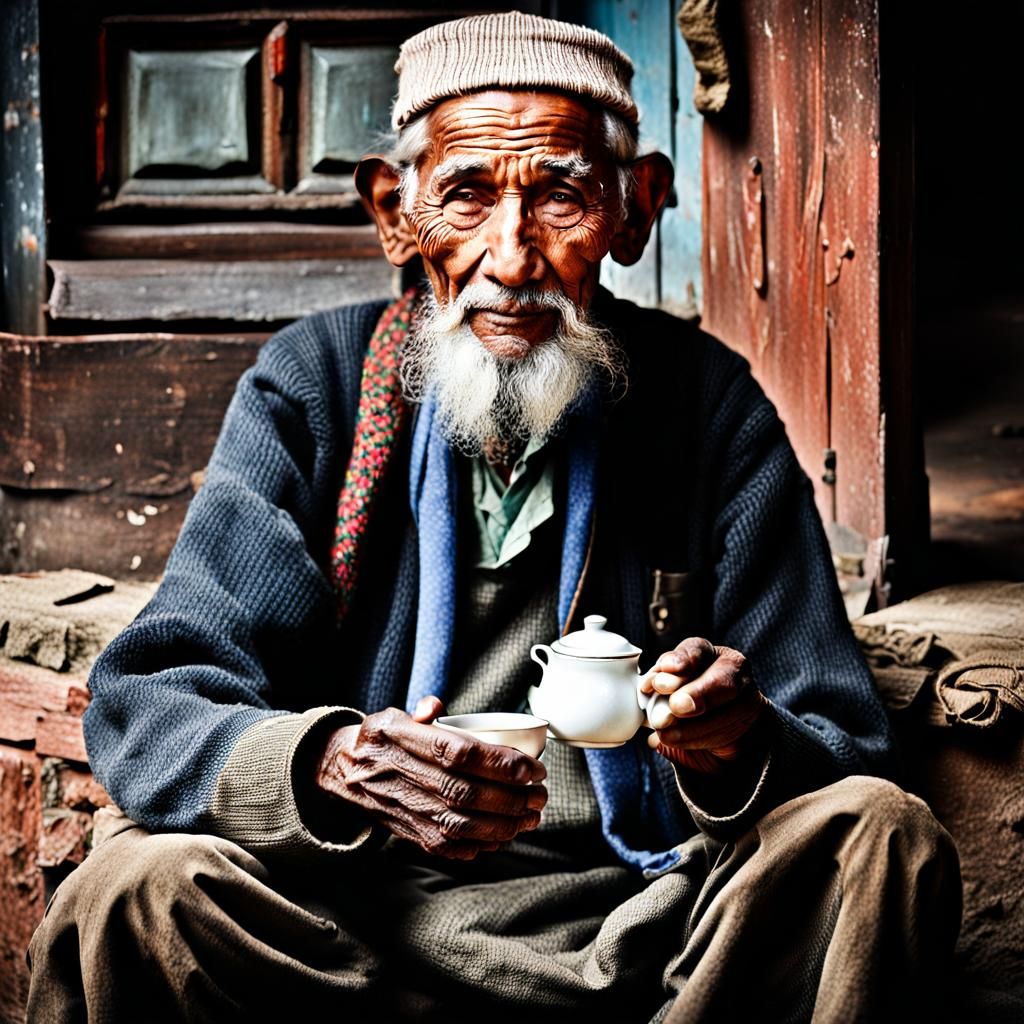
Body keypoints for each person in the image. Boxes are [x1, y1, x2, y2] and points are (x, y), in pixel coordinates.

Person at [27, 12, 960, 1022]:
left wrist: (739, 743)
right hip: (354, 938)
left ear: (634, 211)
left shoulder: (704, 404)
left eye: (561, 195)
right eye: (466, 196)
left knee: (879, 835)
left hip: (645, 936)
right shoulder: (316, 388)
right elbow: (151, 704)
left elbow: (846, 744)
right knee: (136, 892)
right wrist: (330, 762)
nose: (511, 259)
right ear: (395, 214)